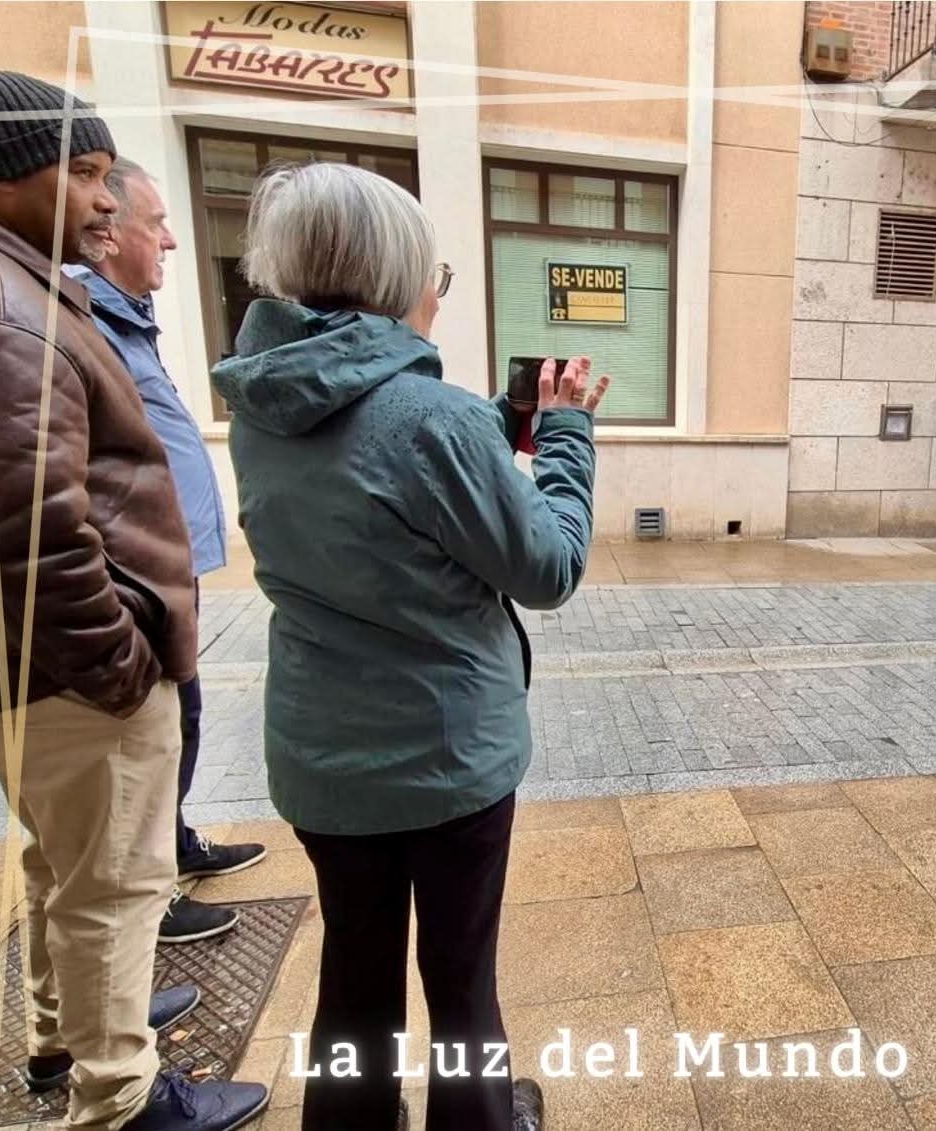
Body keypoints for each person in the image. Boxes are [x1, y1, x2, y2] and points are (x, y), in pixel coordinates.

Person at [211, 162, 607, 1131]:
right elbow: (549, 567)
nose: (438, 292)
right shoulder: (433, 419)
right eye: (437, 274)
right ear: (395, 279)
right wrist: (564, 437)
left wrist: (493, 434)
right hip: (444, 759)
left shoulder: (260, 406)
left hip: (321, 757)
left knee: (354, 980)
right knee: (461, 984)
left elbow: (375, 478)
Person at [0, 72, 265, 1131]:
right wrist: (120, 663)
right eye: (83, 173)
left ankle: (65, 1034)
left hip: (28, 668)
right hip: (73, 676)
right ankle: (124, 1098)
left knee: (62, 866)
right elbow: (22, 524)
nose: (102, 200)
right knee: (112, 889)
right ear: (7, 173)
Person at [65, 157, 265, 946]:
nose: (173, 241)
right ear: (111, 232)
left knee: (179, 720)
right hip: (129, 584)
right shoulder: (82, 322)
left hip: (160, 573)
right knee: (144, 739)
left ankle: (172, 847)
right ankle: (148, 897)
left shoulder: (125, 320)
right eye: (157, 224)